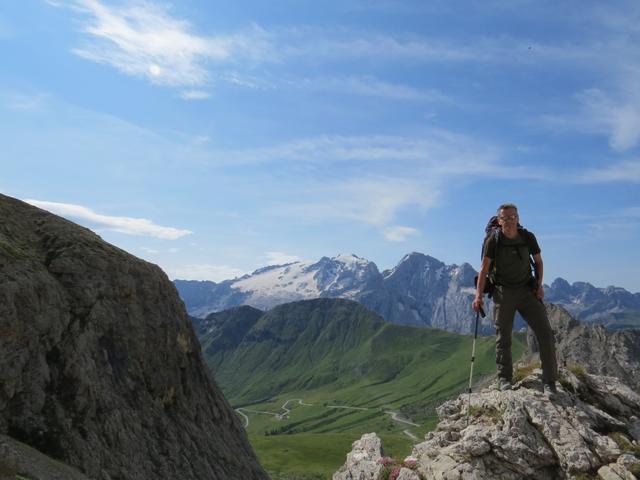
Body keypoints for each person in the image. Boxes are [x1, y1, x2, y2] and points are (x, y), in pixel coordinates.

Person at [472, 203, 558, 394]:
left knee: (545, 333)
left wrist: (539, 285)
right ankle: (504, 379)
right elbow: (484, 269)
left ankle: (549, 382)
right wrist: (478, 296)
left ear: (518, 218)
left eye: (513, 217)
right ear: (499, 221)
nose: (509, 221)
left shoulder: (528, 237)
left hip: (527, 289)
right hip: (503, 292)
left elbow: (539, 262)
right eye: (505, 218)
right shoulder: (493, 241)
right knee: (503, 338)